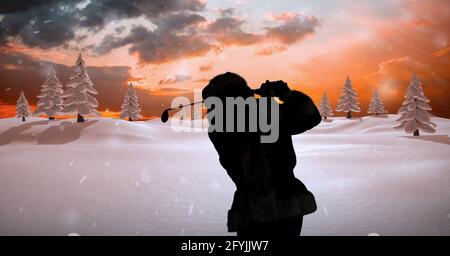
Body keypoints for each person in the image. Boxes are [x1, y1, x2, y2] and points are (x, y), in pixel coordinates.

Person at [202, 72, 322, 236]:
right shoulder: (220, 125)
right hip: (256, 207)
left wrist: (287, 96)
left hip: (279, 202)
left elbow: (311, 117)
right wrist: (270, 100)